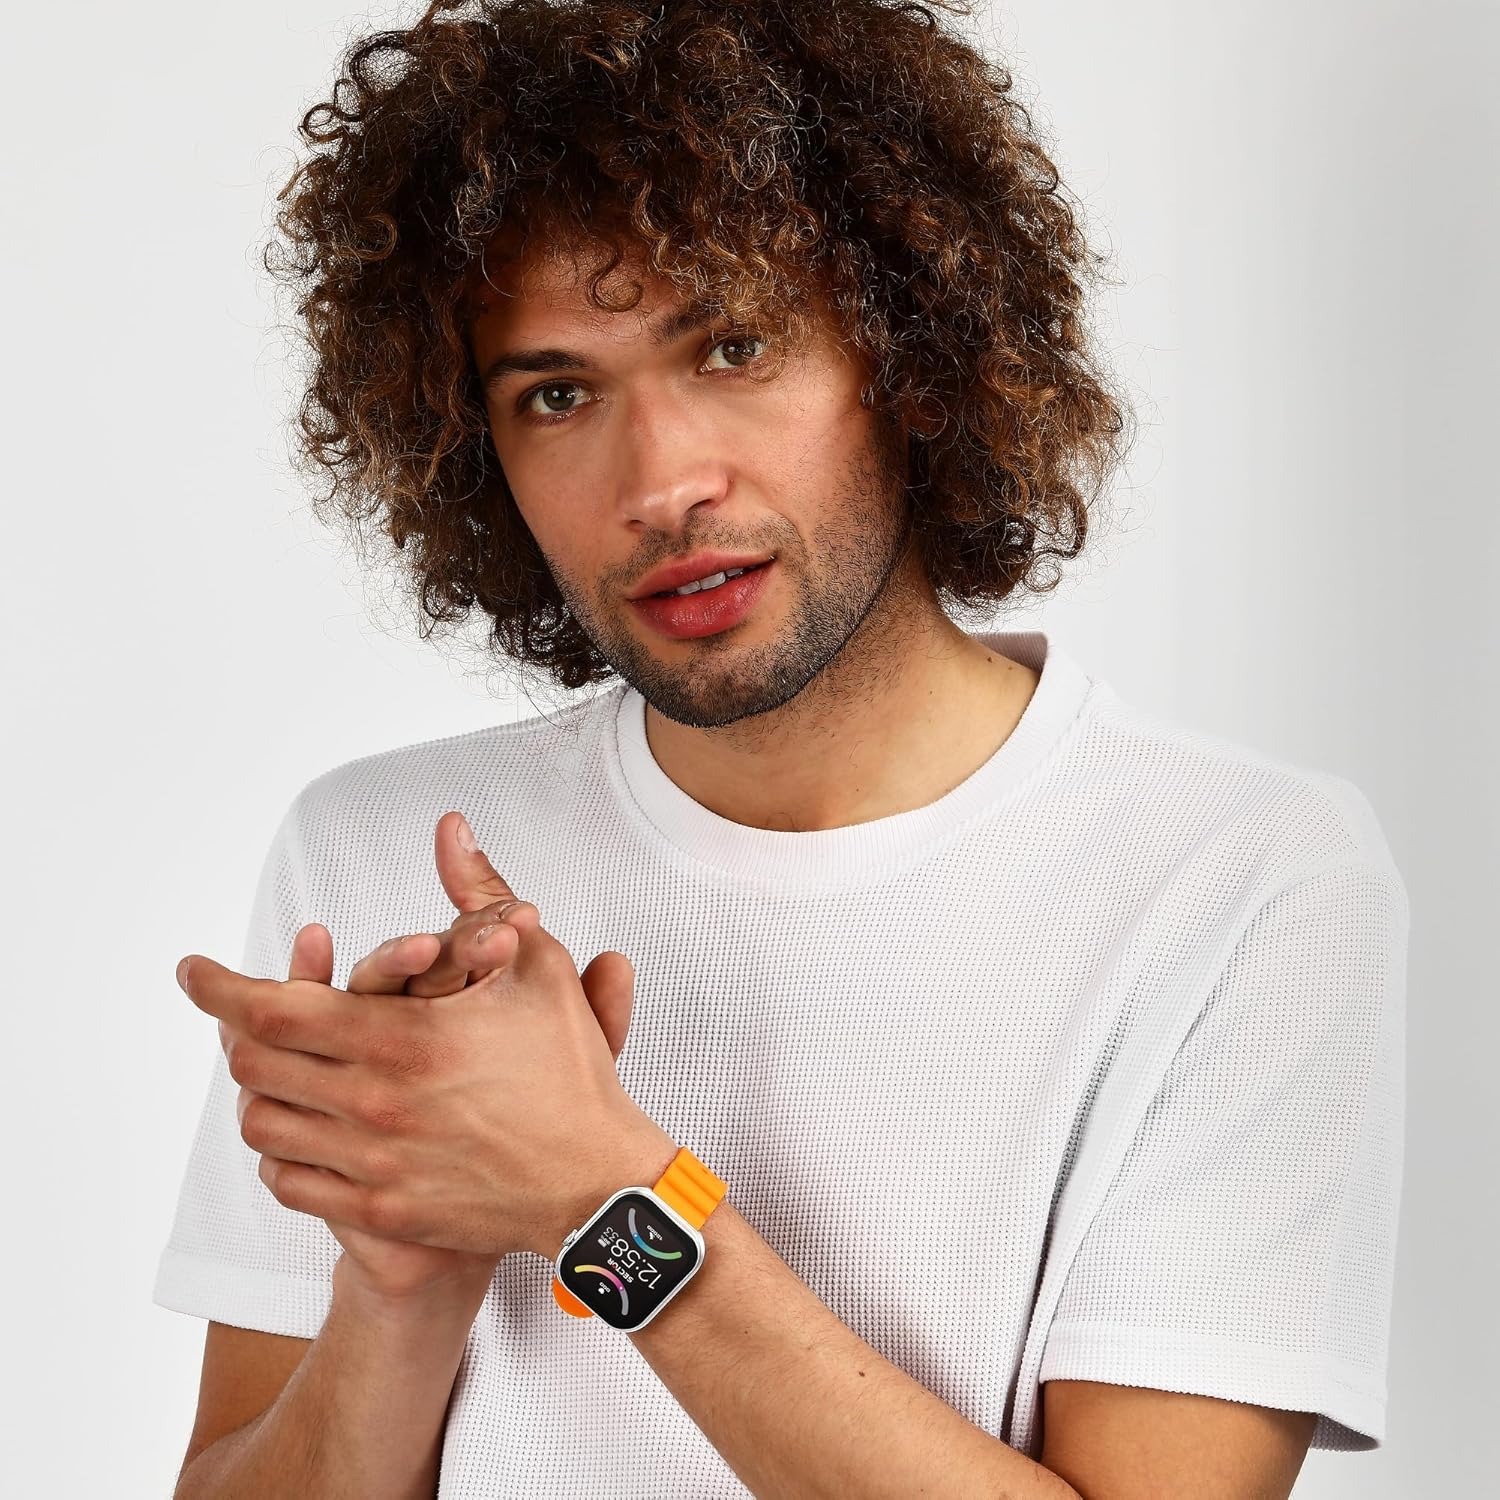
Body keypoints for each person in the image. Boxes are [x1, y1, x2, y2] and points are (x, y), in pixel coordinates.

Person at [153, 2, 1408, 1497]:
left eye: (735, 346)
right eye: (558, 393)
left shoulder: (1238, 879)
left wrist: (600, 1197)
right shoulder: (378, 850)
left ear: (914, 357)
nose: (662, 481)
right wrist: (399, 1283)